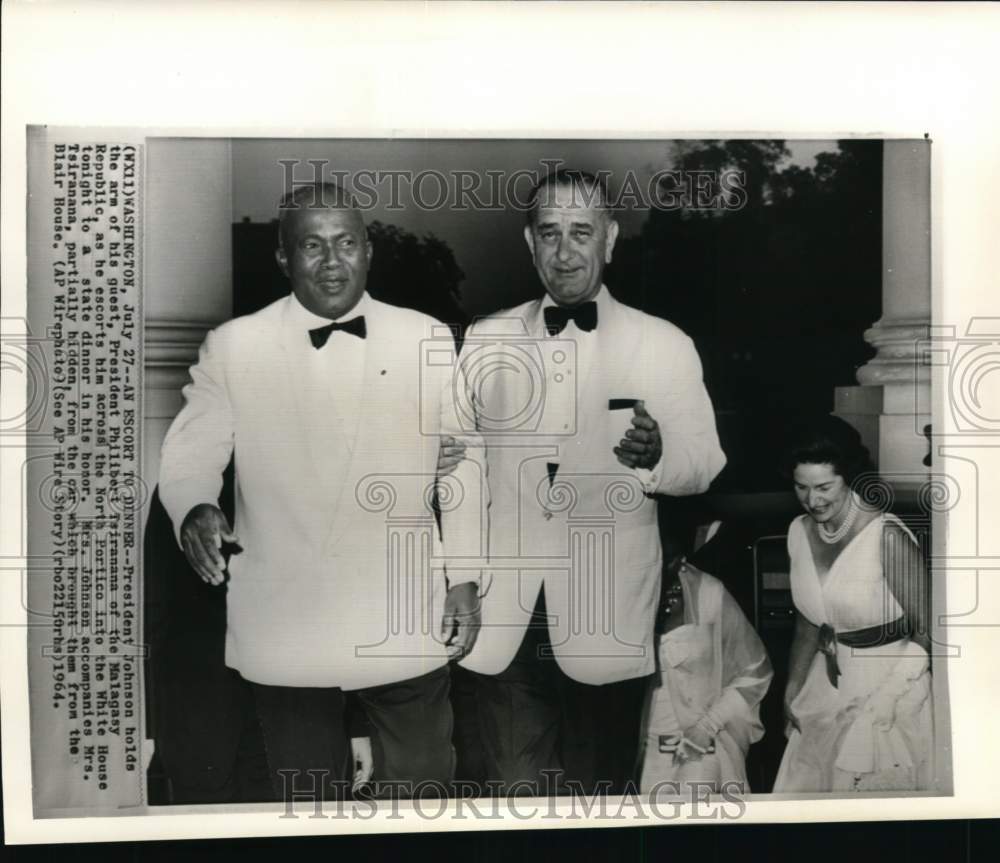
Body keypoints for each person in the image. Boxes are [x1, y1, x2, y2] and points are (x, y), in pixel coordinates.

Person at [158, 181, 485, 800]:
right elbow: (193, 445)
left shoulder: (428, 338)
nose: (332, 262)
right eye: (312, 246)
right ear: (283, 257)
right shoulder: (235, 346)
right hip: (288, 619)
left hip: (402, 610)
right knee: (306, 801)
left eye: (346, 244)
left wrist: (464, 577)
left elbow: (465, 466)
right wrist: (195, 505)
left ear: (369, 251)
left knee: (421, 793)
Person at [456, 169, 727, 795]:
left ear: (610, 239)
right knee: (514, 793)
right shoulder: (485, 338)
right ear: (529, 242)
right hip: (507, 618)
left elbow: (705, 461)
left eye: (581, 232)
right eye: (549, 233)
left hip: (608, 610)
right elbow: (463, 471)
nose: (564, 250)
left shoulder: (662, 343)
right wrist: (461, 577)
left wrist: (658, 456)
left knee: (597, 799)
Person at [773, 416, 933, 793]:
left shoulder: (885, 535)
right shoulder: (798, 532)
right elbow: (810, 623)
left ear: (850, 477)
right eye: (801, 487)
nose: (813, 500)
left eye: (825, 487)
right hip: (823, 686)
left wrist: (888, 698)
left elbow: (930, 631)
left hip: (888, 688)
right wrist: (792, 690)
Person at [638, 507, 772, 797]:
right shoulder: (621, 599)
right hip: (640, 760)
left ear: (680, 558)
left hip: (702, 750)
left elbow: (756, 672)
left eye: (667, 559)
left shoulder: (710, 593)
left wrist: (706, 728)